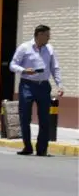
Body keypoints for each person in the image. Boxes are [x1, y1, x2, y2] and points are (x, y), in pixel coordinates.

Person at [9, 24, 65, 156]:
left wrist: (59, 84)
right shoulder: (24, 47)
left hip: (44, 86)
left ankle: (42, 149)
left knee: (45, 118)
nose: (49, 38)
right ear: (39, 35)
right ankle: (27, 147)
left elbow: (55, 68)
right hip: (27, 85)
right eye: (47, 35)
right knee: (25, 117)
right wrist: (23, 70)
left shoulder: (50, 49)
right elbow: (12, 65)